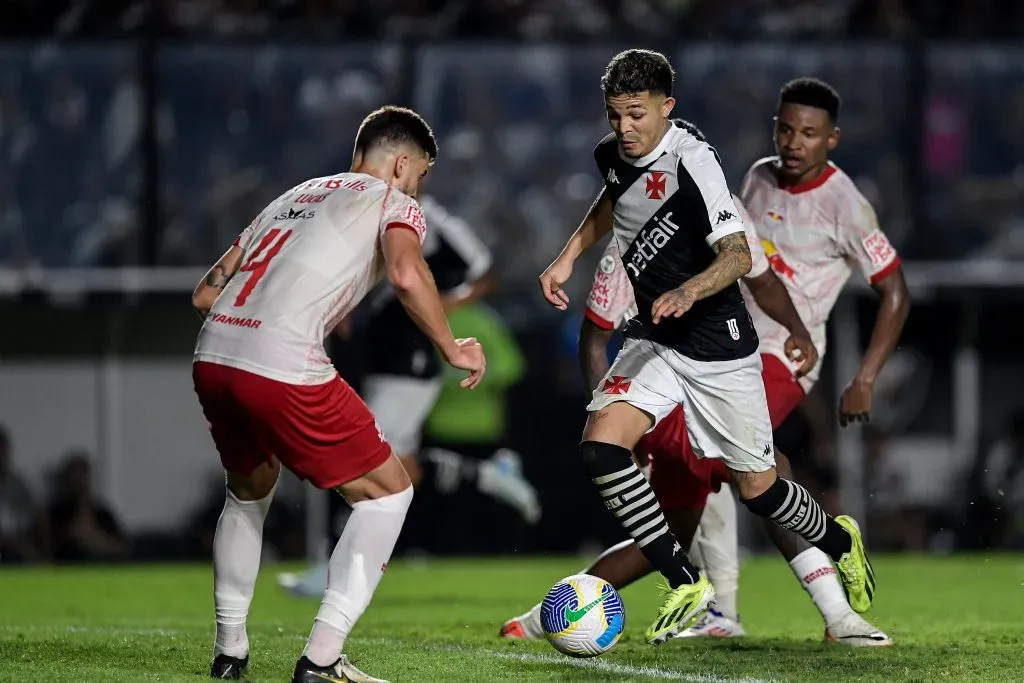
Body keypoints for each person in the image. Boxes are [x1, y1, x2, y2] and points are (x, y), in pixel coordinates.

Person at [537, 49, 873, 644]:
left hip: (719, 349)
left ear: (668, 108)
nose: (624, 128)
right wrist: (566, 258)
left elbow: (741, 257)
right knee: (600, 447)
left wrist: (689, 291)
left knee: (759, 489)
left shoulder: (698, 164)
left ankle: (841, 541)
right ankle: (686, 581)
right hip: (658, 342)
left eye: (636, 115)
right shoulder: (614, 152)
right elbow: (614, 195)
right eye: (615, 115)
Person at [502, 194, 892, 646]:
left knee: (756, 485)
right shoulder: (625, 247)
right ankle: (554, 618)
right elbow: (593, 338)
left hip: (725, 366)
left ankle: (823, 596)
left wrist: (799, 331)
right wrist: (615, 418)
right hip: (662, 380)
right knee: (665, 521)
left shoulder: (720, 205)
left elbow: (760, 277)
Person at [191, 105, 486, 683]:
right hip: (279, 360)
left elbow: (206, 293)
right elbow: (406, 274)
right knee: (386, 493)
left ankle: (230, 655)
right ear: (402, 163)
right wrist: (452, 346)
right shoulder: (395, 203)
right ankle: (321, 663)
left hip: (214, 353)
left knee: (249, 489)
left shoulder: (291, 196)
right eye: (422, 174)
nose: (420, 188)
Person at [278, 196, 537, 597]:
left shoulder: (431, 216)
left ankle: (333, 569)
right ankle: (489, 475)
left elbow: (485, 274)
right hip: (381, 358)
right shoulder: (370, 209)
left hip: (411, 363)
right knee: (405, 467)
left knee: (356, 459)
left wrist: (431, 307)